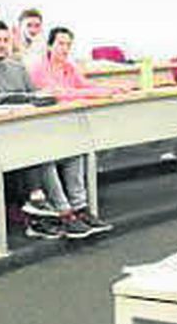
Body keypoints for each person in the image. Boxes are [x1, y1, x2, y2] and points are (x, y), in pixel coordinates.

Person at [0, 20, 100, 240]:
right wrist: (31, 98)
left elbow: (39, 96)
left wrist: (31, 98)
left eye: (5, 40)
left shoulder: (17, 67)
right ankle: (65, 213)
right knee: (43, 155)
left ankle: (79, 208)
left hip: (28, 131)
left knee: (74, 149)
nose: (2, 45)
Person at [30, 26, 115, 233]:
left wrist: (110, 90)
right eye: (61, 43)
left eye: (68, 44)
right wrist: (95, 94)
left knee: (77, 152)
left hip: (63, 128)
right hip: (40, 130)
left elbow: (84, 86)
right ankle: (64, 212)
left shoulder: (69, 66)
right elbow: (59, 94)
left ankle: (80, 208)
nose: (65, 48)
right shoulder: (39, 68)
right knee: (47, 159)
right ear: (50, 45)